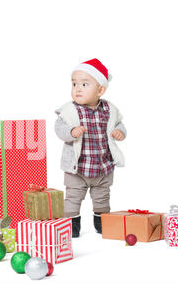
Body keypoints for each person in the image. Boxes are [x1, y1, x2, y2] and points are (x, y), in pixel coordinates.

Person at [54, 58, 126, 237]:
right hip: (77, 169)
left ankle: (102, 223)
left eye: (84, 84)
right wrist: (71, 131)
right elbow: (59, 128)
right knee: (72, 198)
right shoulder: (69, 111)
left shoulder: (110, 109)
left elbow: (120, 123)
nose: (77, 88)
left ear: (100, 90)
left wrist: (119, 131)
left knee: (102, 197)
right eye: (74, 84)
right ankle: (71, 227)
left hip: (102, 167)